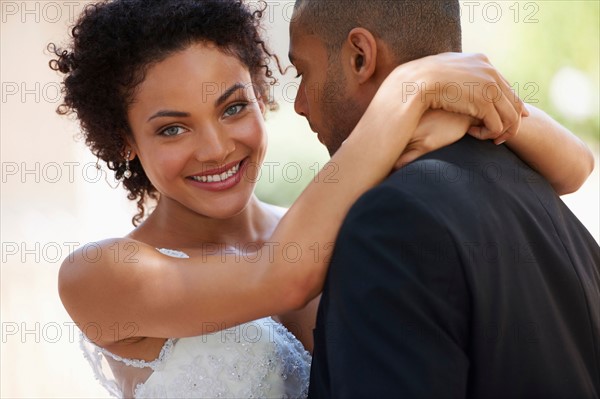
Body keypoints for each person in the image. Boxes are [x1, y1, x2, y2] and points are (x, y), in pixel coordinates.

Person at [51, 1, 593, 398]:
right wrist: (411, 89)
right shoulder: (101, 274)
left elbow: (576, 166)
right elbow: (282, 277)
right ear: (124, 140)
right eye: (172, 130)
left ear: (263, 96)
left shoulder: (330, 223)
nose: (215, 148)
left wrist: (455, 103)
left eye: (234, 108)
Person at [287, 1, 600, 398]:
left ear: (360, 57)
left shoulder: (389, 226)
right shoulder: (539, 194)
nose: (298, 103)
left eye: (303, 72)